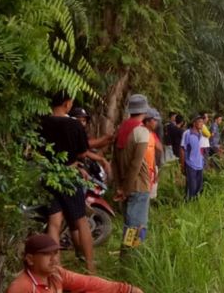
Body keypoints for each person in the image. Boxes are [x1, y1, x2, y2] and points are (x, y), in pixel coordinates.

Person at [39, 91, 94, 273]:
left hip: (49, 176)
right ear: (67, 104)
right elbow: (83, 153)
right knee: (81, 221)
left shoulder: (42, 121)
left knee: (54, 222)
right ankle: (90, 267)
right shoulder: (74, 124)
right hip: (69, 175)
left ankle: (56, 268)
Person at [6, 234, 144, 293]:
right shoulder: (21, 287)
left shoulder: (56, 274)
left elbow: (89, 282)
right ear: (30, 259)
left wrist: (126, 290)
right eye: (46, 254)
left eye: (55, 253)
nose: (53, 259)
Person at [112, 94, 151, 250]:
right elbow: (136, 164)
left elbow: (114, 161)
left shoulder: (121, 129)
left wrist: (120, 186)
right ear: (144, 111)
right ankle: (132, 256)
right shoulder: (142, 132)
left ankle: (126, 255)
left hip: (124, 184)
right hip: (139, 186)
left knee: (129, 224)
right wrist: (126, 189)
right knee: (138, 226)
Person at [69, 107, 112, 178]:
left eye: (84, 121)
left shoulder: (82, 133)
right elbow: (87, 145)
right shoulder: (70, 133)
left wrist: (102, 159)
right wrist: (105, 138)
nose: (82, 123)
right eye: (79, 120)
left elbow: (86, 150)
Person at [180, 115, 205, 199]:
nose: (202, 124)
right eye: (200, 122)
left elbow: (200, 149)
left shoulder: (200, 134)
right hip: (190, 164)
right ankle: (188, 203)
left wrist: (202, 160)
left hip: (199, 164)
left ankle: (195, 204)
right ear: (194, 123)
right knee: (191, 187)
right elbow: (182, 149)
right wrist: (182, 165)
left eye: (202, 122)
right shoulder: (187, 133)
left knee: (199, 186)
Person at [143, 108, 162, 199]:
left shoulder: (152, 135)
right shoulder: (142, 134)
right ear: (147, 121)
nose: (156, 123)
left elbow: (153, 152)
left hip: (150, 170)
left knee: (148, 196)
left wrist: (154, 169)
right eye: (154, 120)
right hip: (142, 171)